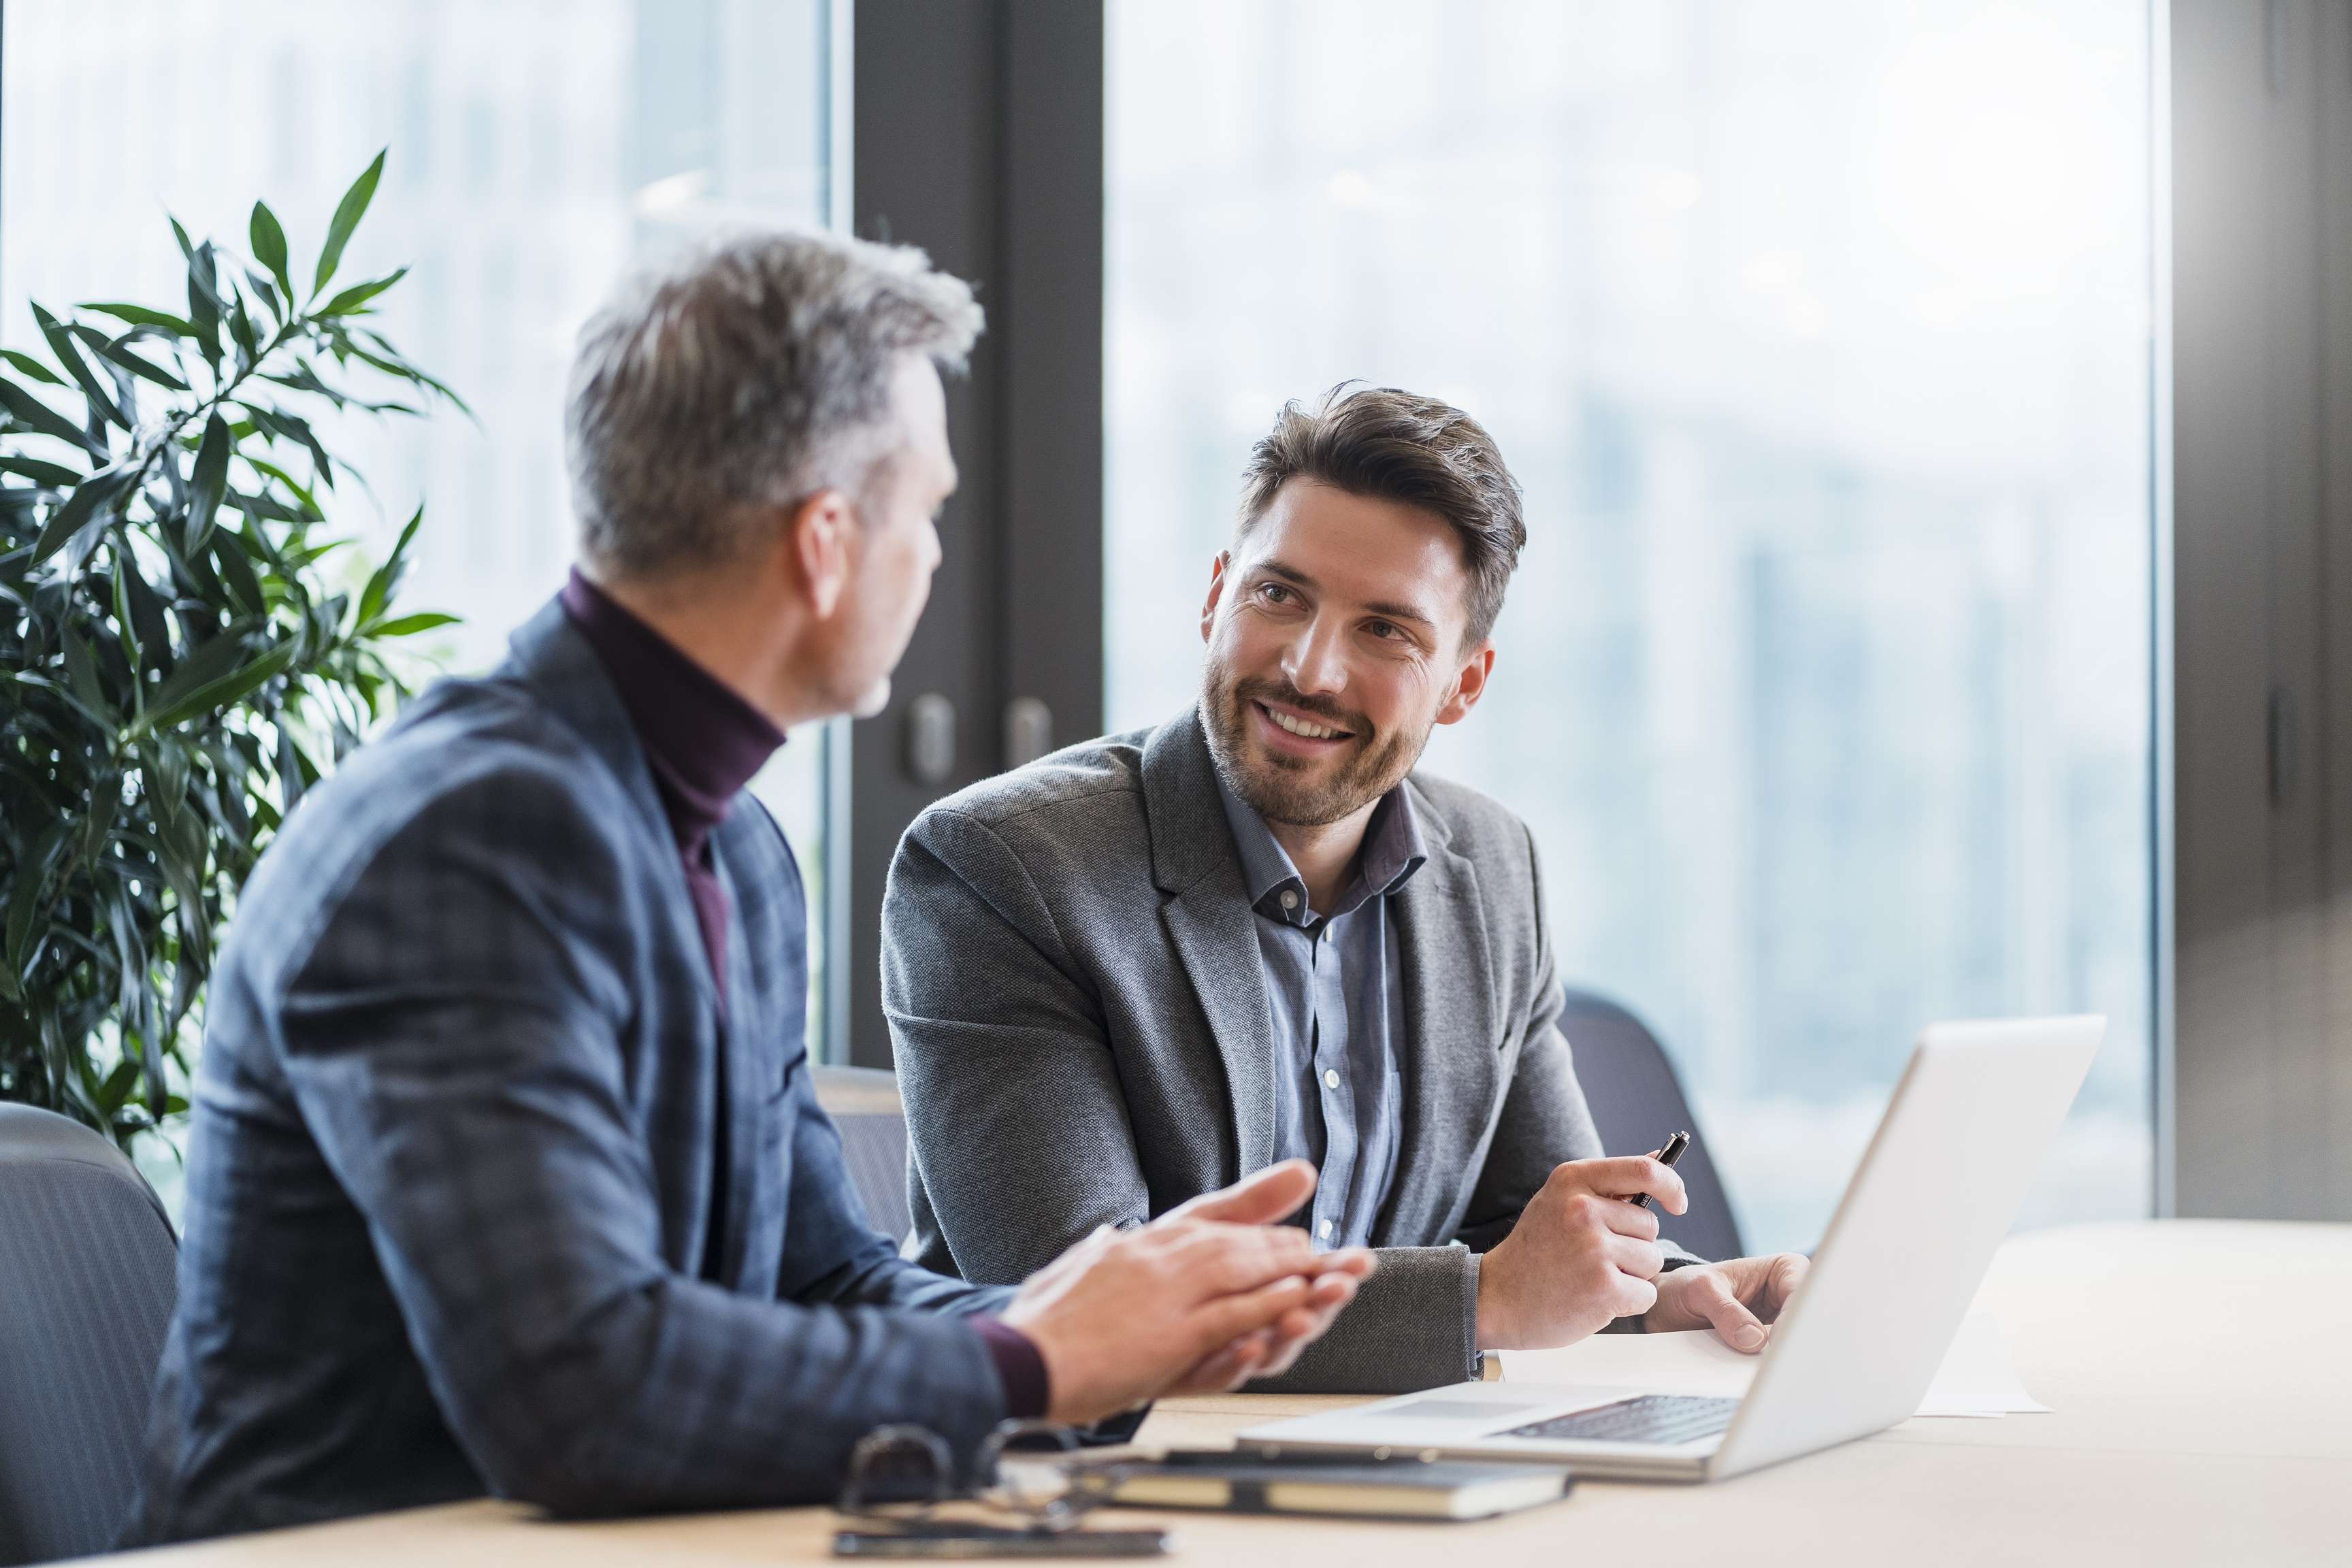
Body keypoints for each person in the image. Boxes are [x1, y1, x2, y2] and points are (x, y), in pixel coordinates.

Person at [125, 233, 1372, 1546]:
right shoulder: (469, 839)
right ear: (826, 543)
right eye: (929, 510)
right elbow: (578, 1386)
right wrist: (1037, 1363)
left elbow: (823, 1282)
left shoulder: (734, 849)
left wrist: (1121, 1325)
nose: (938, 559)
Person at [885, 385, 1807, 1394]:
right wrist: (1485, 1299)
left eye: (1386, 632)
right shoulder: (1003, 867)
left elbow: (1532, 1230)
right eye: (1278, 594)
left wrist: (1662, 1294)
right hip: (1096, 1496)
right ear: (1213, 599)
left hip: (1396, 1471)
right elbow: (1076, 1305)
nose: (1310, 668)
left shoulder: (1495, 869)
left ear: (1463, 683)